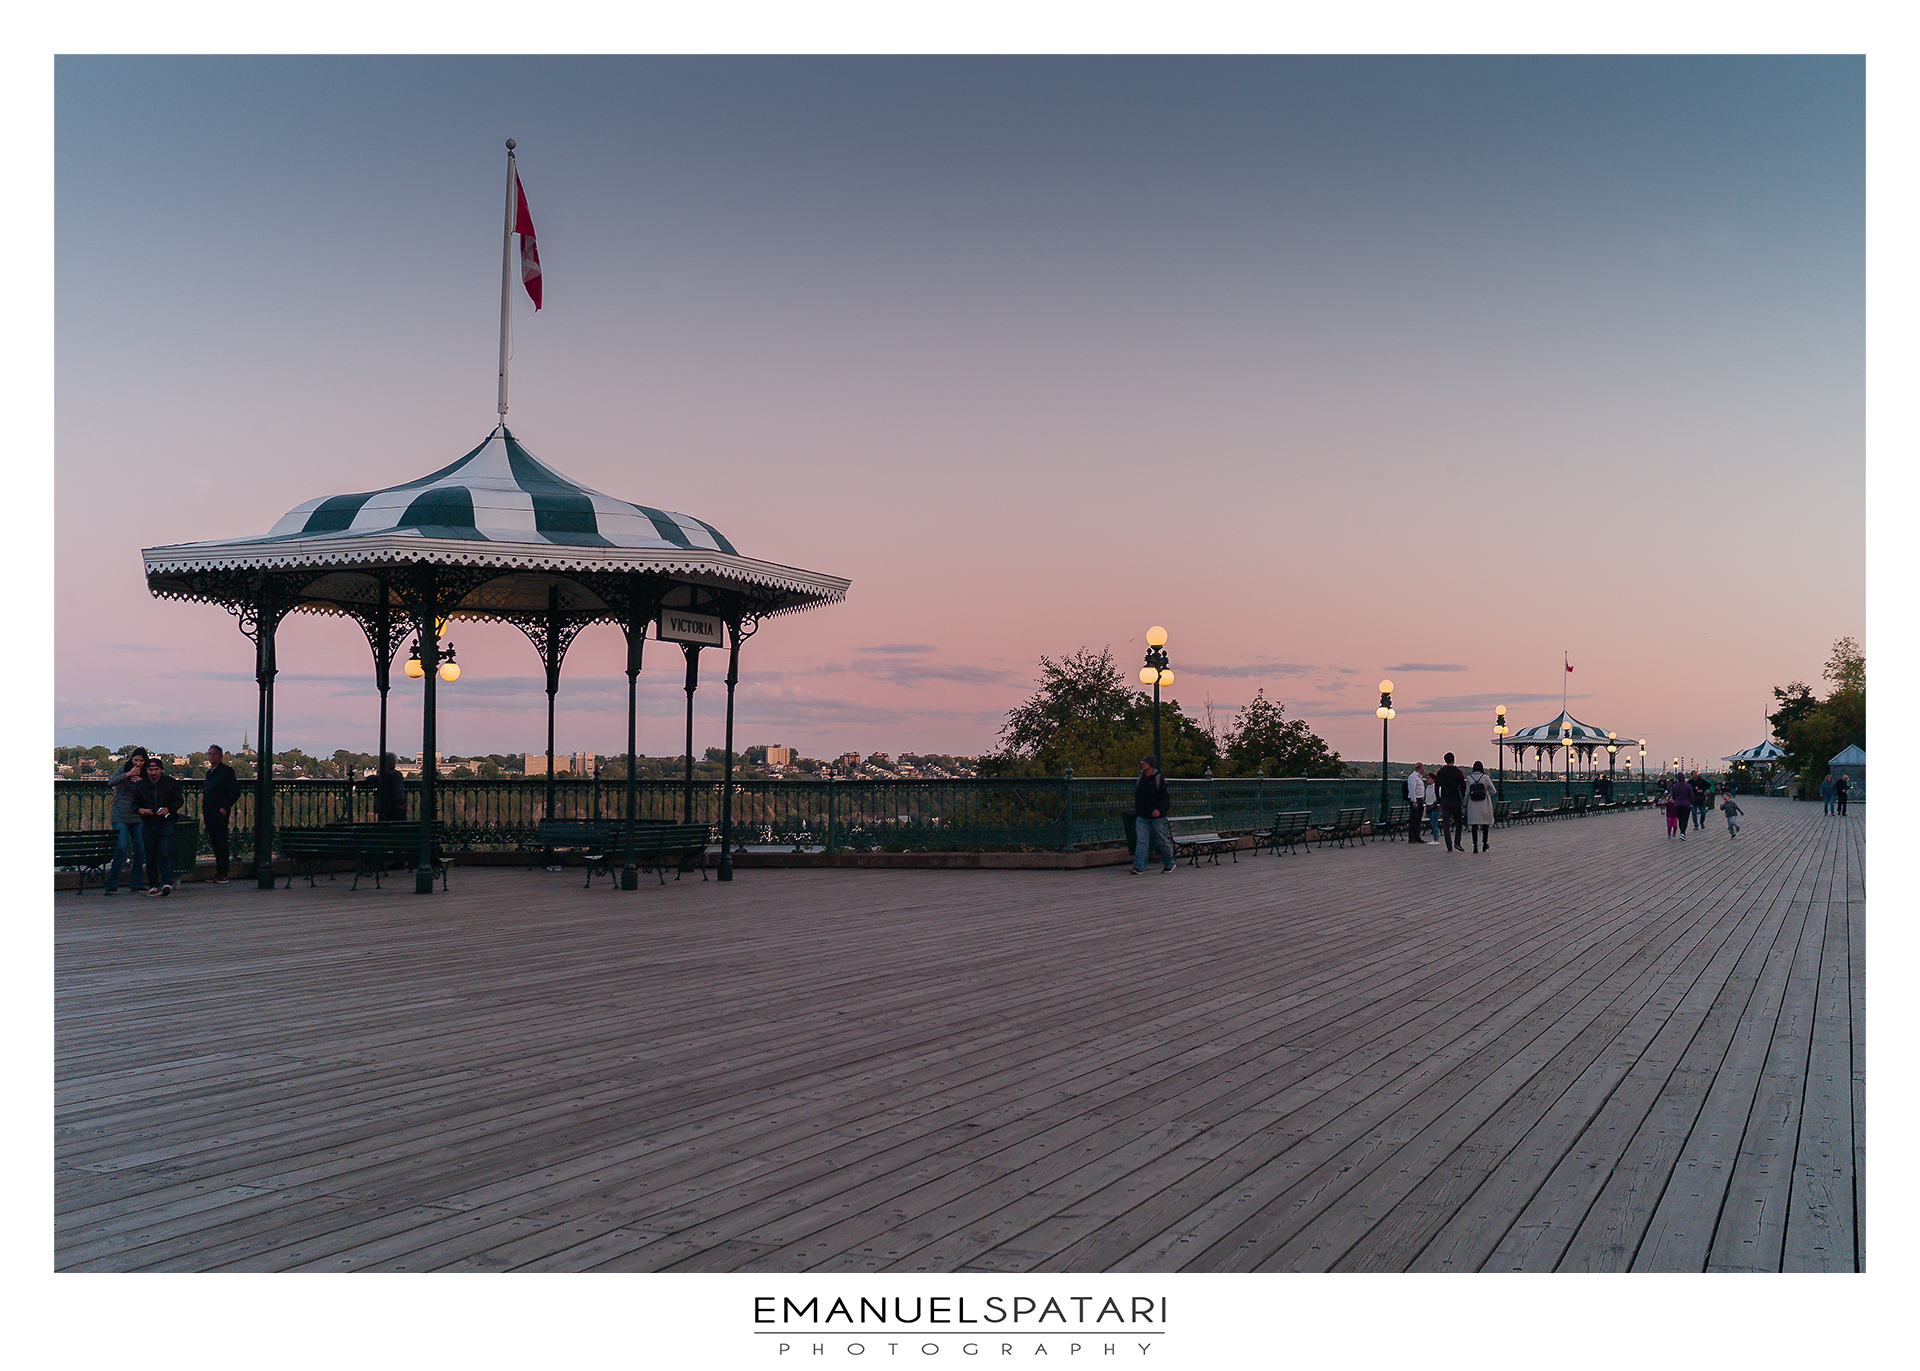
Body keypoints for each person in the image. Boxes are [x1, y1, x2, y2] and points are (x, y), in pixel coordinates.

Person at [133, 757, 186, 896]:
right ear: (146, 771)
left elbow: (179, 800)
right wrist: (140, 810)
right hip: (148, 823)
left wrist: (168, 809)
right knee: (150, 855)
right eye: (150, 770)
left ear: (161, 770)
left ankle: (166, 883)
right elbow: (134, 805)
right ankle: (153, 885)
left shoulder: (170, 783)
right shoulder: (141, 785)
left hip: (166, 822)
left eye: (156, 769)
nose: (153, 772)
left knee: (166, 852)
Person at [104, 747, 150, 895]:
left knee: (140, 849)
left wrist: (142, 782)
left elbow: (152, 790)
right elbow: (111, 782)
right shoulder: (122, 769)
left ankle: (136, 883)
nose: (139, 763)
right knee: (121, 847)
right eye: (136, 760)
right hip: (120, 814)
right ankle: (112, 883)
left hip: (138, 815)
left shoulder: (147, 774)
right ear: (131, 760)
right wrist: (127, 774)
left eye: (142, 760)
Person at [202, 744, 241, 884]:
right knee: (215, 842)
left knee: (221, 842)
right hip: (209, 812)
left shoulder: (226, 771)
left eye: (213, 754)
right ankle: (219, 872)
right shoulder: (210, 772)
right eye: (209, 754)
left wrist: (225, 807)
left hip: (219, 812)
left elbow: (235, 791)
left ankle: (223, 873)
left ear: (220, 756)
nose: (211, 756)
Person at [1132, 755, 1176, 874]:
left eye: (1145, 762)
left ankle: (1169, 862)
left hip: (1157, 816)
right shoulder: (1141, 779)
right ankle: (1139, 866)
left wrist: (1159, 809)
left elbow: (1164, 798)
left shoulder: (1159, 779)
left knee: (1161, 840)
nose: (1143, 764)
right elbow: (1138, 796)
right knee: (1142, 840)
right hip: (1142, 815)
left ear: (1151, 764)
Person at [1433, 752, 1468, 852]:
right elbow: (1462, 787)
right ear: (1453, 760)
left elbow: (1436, 787)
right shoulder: (1458, 772)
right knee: (1458, 822)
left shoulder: (1440, 772)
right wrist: (1464, 799)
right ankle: (1457, 842)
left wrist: (1439, 799)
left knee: (1446, 824)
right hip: (1455, 799)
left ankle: (1449, 845)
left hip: (1445, 800)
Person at [1464, 760, 1496, 853]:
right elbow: (1493, 790)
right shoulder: (1485, 777)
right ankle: (1484, 843)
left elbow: (1467, 792)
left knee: (1474, 825)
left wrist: (1465, 803)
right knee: (1485, 824)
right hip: (1484, 803)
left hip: (1473, 804)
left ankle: (1475, 845)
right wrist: (1486, 793)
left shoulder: (1469, 778)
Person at [375, 752, 408, 822]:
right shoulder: (399, 775)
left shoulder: (386, 775)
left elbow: (371, 780)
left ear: (387, 764)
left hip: (389, 808)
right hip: (401, 806)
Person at [1406, 763, 1428, 845]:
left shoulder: (1418, 777)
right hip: (1415, 800)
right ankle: (1412, 837)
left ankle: (1417, 836)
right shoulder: (1413, 777)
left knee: (1418, 819)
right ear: (1420, 768)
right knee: (1413, 819)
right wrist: (1414, 801)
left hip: (1420, 799)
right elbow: (1412, 789)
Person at [1670, 773, 1694, 838]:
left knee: (1680, 819)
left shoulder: (1674, 786)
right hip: (1686, 804)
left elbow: (1673, 795)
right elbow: (1691, 796)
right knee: (1685, 819)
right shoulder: (1688, 786)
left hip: (1677, 805)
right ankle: (1683, 833)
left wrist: (1676, 801)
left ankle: (1681, 831)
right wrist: (1691, 802)